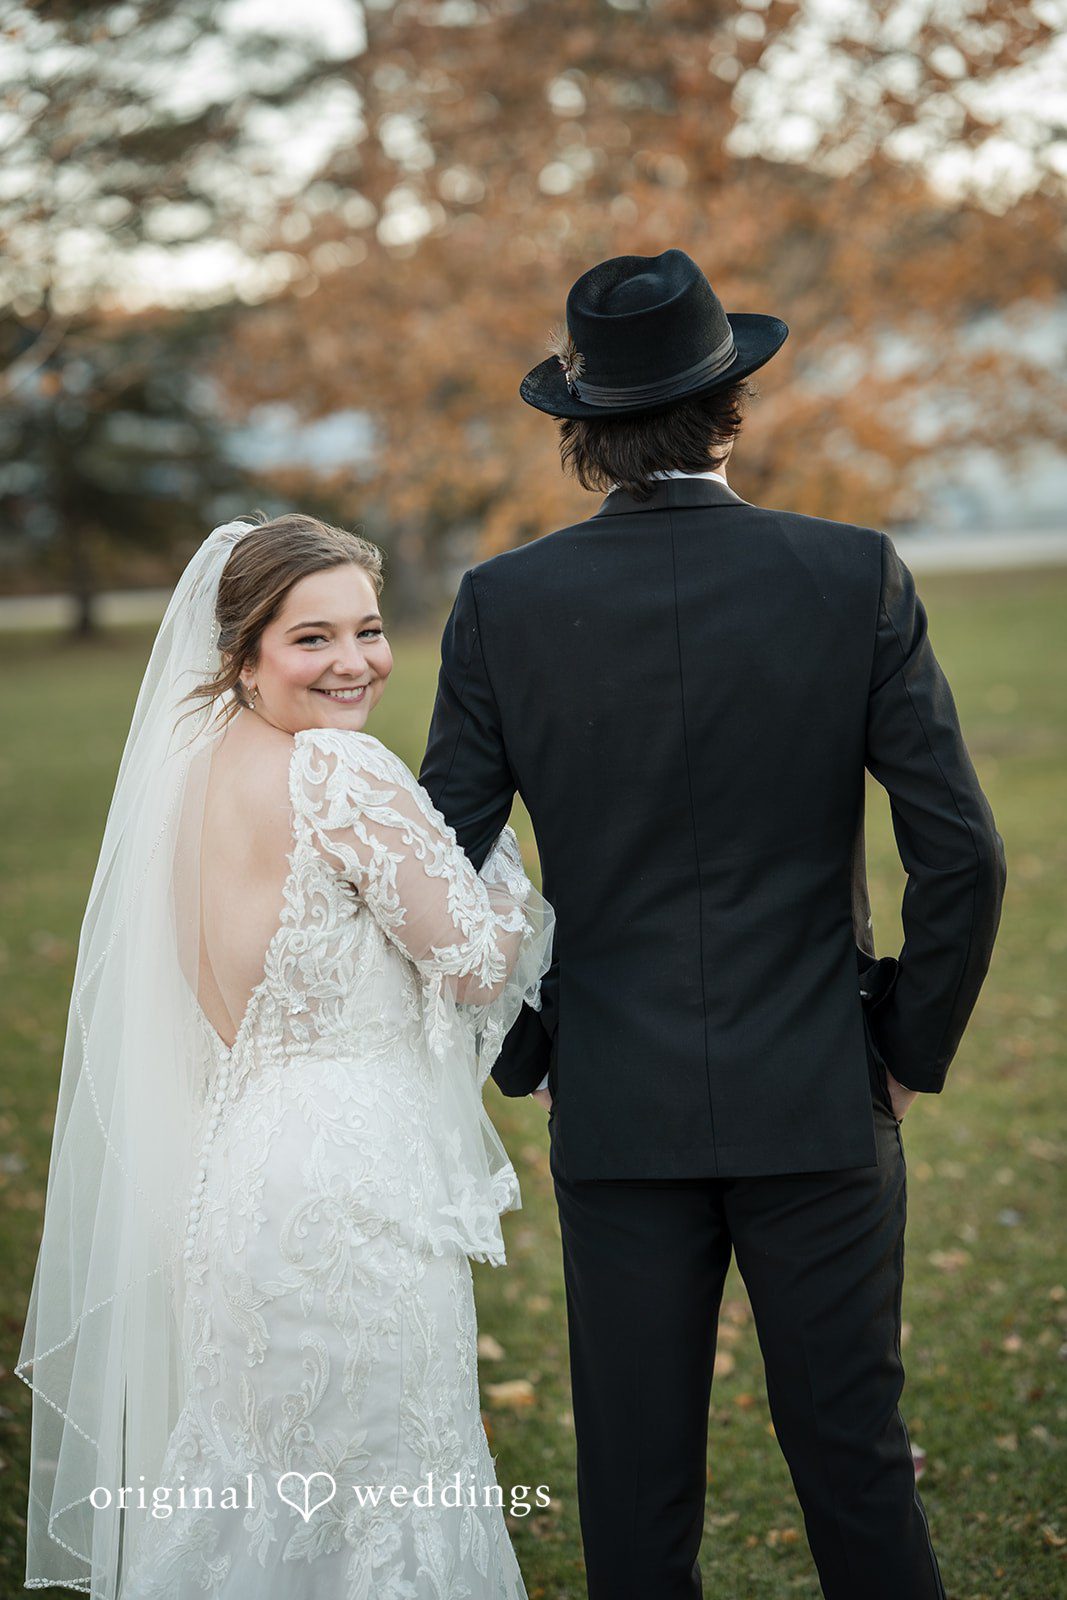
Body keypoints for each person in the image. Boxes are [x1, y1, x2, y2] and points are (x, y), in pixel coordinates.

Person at [418, 249, 1008, 1599]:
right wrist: (906, 1047)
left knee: (631, 1495)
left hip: (615, 1107)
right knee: (856, 1468)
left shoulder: (500, 603)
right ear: (728, 407)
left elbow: (433, 869)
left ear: (580, 432)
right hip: (818, 1090)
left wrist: (530, 1050)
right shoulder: (850, 572)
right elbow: (958, 853)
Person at [17, 512, 554, 1599]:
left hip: (243, 1169)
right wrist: (498, 861)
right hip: (348, 1190)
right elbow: (468, 963)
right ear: (242, 652)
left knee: (266, 1494)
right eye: (311, 639)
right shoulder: (336, 771)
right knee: (391, 1489)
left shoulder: (192, 777)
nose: (353, 661)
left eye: (365, 628)